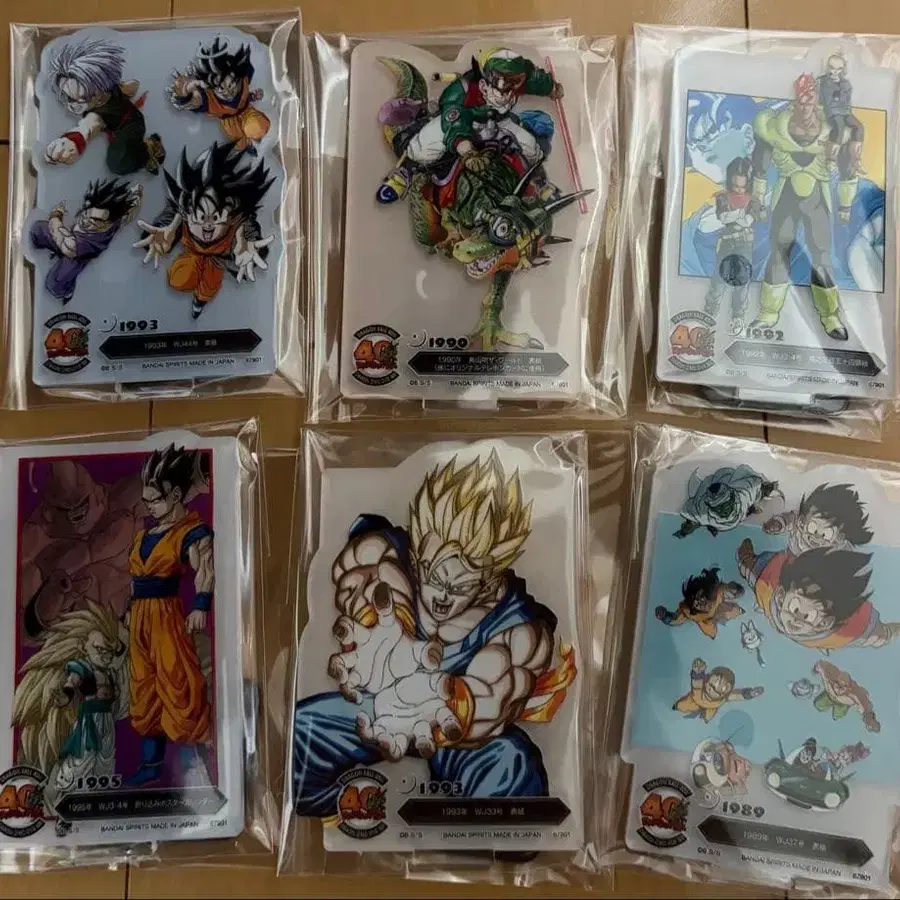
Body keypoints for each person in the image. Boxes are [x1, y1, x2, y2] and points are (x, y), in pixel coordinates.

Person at [126, 445, 213, 785]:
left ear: (175, 495)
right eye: (146, 501)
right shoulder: (142, 536)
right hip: (140, 619)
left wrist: (200, 604)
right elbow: (134, 582)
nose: (150, 506)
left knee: (178, 684)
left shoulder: (190, 532)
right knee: (143, 688)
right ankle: (150, 765)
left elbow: (205, 569)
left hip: (167, 616)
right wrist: (128, 614)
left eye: (156, 500)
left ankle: (194, 766)